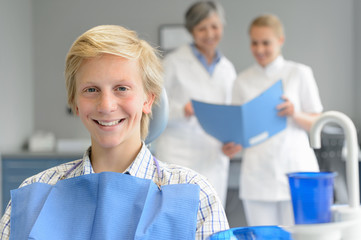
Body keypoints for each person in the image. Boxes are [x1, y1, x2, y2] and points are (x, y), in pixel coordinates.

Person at [0, 25, 229, 239]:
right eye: (91, 89)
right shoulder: (34, 195)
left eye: (121, 88)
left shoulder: (196, 196)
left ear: (148, 100)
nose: (106, 105)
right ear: (75, 103)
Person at [232, 14, 323, 226]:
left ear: (280, 40)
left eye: (266, 43)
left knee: (300, 235)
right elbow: (238, 130)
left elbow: (317, 124)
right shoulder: (241, 81)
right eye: (254, 43)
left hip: (295, 169)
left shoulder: (299, 73)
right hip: (257, 175)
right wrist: (231, 143)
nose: (259, 49)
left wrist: (294, 113)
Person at [154, 1, 240, 206]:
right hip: (179, 153)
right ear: (191, 31)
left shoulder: (228, 69)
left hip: (214, 155)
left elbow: (231, 114)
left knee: (211, 221)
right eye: (202, 28)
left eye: (214, 26)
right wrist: (182, 110)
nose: (209, 33)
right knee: (177, 218)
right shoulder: (172, 63)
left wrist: (233, 142)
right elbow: (154, 108)